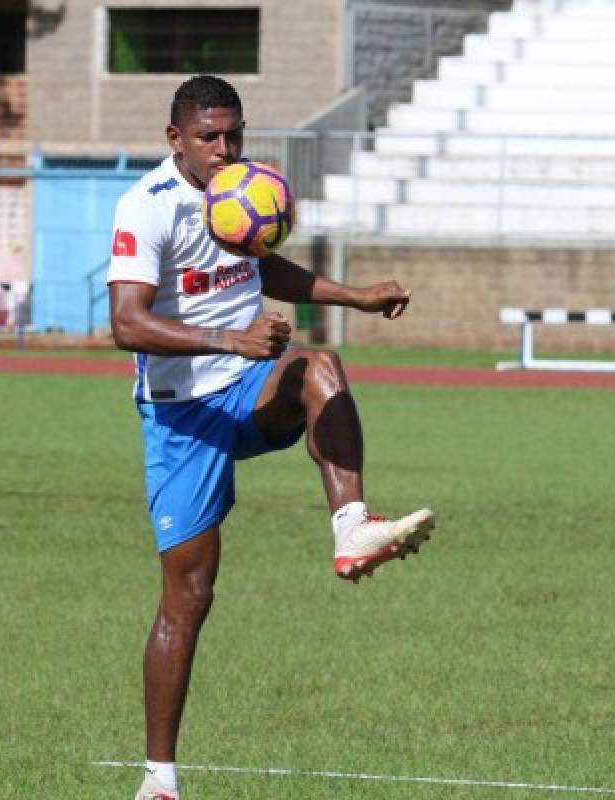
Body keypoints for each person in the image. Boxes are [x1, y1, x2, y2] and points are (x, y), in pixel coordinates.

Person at [106, 75, 437, 800]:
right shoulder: (146, 207)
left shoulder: (246, 191)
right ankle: (158, 780)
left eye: (234, 134)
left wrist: (354, 295)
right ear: (176, 140)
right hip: (180, 416)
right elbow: (126, 322)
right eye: (208, 138)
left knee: (320, 365)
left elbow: (263, 263)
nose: (225, 150)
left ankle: (352, 528)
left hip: (248, 389)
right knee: (188, 597)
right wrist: (232, 334)